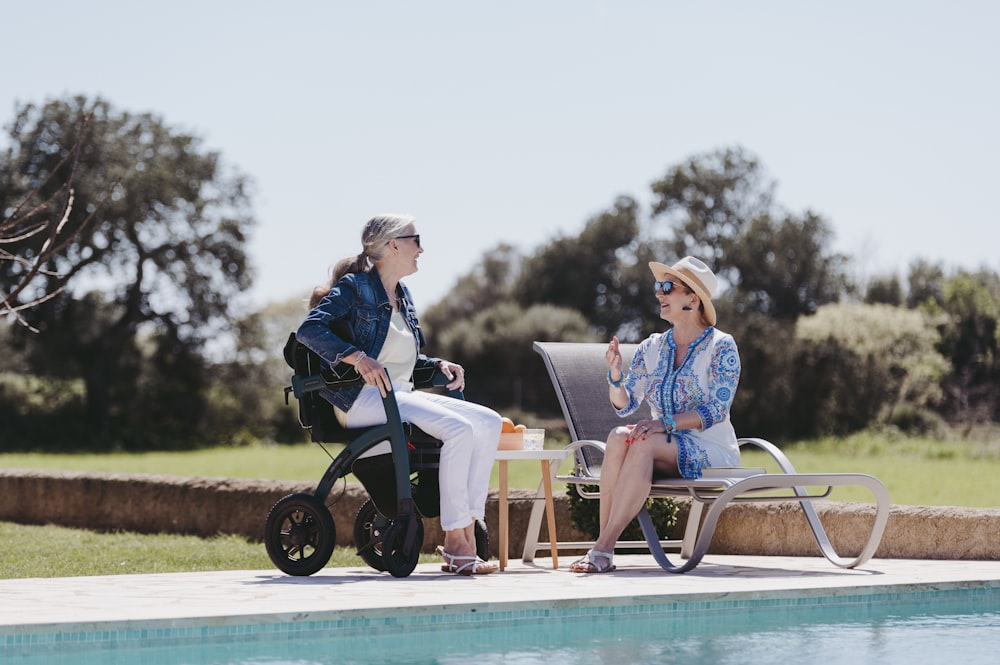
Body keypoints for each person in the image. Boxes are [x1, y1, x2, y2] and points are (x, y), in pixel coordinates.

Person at [296, 214, 501, 576]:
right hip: (361, 399)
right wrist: (357, 358)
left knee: (488, 421)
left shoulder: (402, 295)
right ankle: (456, 542)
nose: (421, 248)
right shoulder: (355, 288)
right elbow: (309, 330)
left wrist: (439, 364)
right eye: (415, 240)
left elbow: (403, 358)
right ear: (392, 245)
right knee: (460, 429)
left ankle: (469, 527)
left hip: (399, 394)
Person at [569, 256, 741, 573]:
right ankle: (602, 548)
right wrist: (615, 375)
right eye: (657, 287)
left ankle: (602, 548)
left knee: (644, 441)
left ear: (693, 297)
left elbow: (716, 410)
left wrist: (664, 424)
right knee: (618, 437)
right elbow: (625, 403)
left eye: (667, 287)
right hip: (661, 443)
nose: (659, 294)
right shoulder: (653, 347)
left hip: (711, 450)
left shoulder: (721, 346)